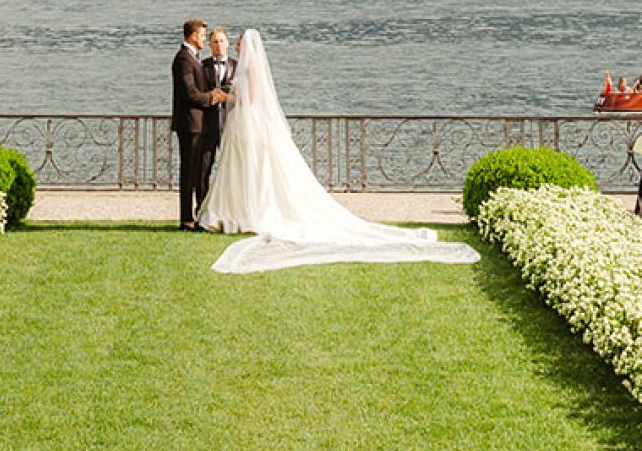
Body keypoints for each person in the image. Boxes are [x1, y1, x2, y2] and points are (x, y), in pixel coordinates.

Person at [198, 28, 477, 272]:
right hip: (246, 123)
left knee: (252, 167)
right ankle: (244, 210)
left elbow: (251, 98)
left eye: (237, 42)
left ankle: (249, 211)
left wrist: (227, 96)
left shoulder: (249, 68)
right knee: (247, 167)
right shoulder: (249, 67)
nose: (235, 46)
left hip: (249, 121)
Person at [171, 22, 227, 232]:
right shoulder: (183, 59)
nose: (204, 39)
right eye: (203, 36)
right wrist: (211, 98)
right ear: (193, 36)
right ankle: (186, 219)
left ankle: (195, 215)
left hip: (197, 124)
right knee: (188, 172)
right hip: (190, 124)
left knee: (195, 171)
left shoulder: (191, 57)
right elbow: (190, 92)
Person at [200, 31, 235, 212]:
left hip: (231, 124)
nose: (219, 45)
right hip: (207, 124)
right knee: (204, 167)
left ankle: (230, 207)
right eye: (215, 41)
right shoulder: (202, 66)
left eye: (222, 41)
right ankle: (202, 208)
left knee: (232, 167)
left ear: (228, 43)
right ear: (209, 45)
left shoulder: (237, 66)